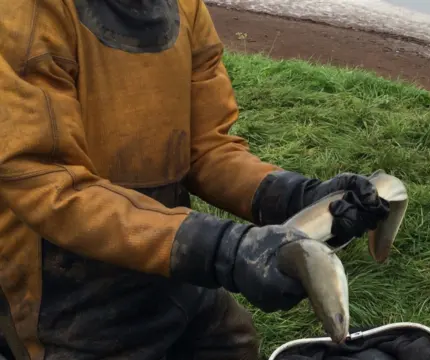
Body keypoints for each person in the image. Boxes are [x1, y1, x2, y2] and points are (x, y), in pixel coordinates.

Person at [0, 0, 390, 359]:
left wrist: (296, 196)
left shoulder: (183, 7)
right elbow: (48, 182)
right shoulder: (25, 14)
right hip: (64, 289)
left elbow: (206, 148)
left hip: (171, 260)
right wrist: (223, 250)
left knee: (231, 343)